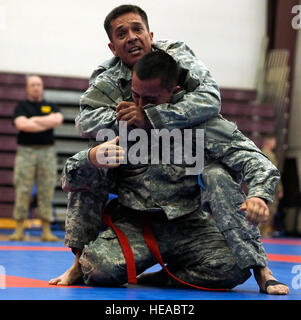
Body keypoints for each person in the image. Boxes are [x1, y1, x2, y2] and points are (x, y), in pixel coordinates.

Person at [50, 51, 289, 294]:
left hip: (188, 224)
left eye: (150, 100)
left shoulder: (198, 122)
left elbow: (256, 159)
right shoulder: (121, 119)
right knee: (96, 266)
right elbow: (70, 179)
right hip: (135, 224)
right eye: (135, 96)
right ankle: (77, 266)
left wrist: (259, 195)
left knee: (234, 269)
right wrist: (90, 158)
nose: (140, 106)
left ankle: (165, 278)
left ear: (173, 92)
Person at [10, 75, 64, 241]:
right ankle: (19, 229)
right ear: (27, 88)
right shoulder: (21, 106)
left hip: (47, 152)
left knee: (46, 190)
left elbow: (57, 120)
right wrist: (44, 122)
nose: (36, 87)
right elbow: (21, 125)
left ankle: (46, 230)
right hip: (26, 152)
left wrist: (33, 120)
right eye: (32, 85)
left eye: (38, 84)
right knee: (22, 189)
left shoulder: (50, 105)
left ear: (42, 87)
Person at [260, 134, 284, 237]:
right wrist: (279, 189)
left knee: (261, 210)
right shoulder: (270, 155)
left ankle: (260, 233)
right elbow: (275, 174)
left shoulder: (259, 153)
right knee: (269, 211)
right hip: (271, 188)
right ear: (270, 142)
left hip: (261, 187)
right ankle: (263, 233)